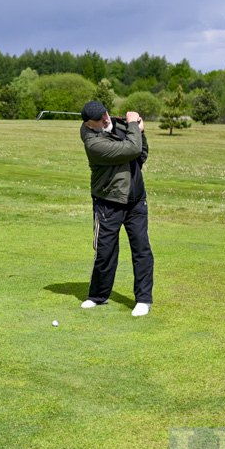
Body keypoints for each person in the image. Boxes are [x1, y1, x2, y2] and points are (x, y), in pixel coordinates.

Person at [79, 100, 154, 317]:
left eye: (105, 114)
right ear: (89, 125)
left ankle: (143, 299)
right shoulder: (93, 143)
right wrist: (133, 126)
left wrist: (141, 131)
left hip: (136, 200)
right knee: (105, 251)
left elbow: (141, 152)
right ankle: (97, 296)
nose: (105, 119)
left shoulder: (118, 126)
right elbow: (132, 147)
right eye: (99, 119)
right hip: (108, 201)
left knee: (142, 249)